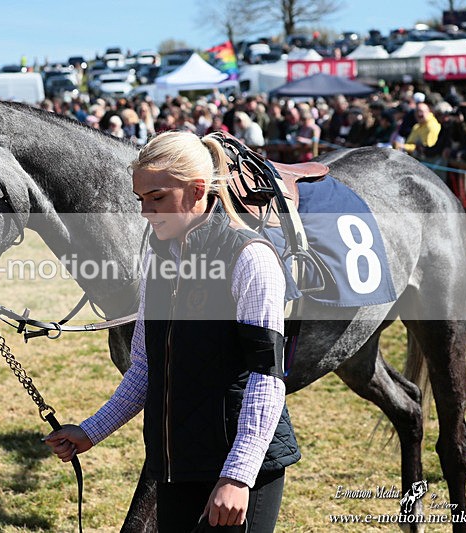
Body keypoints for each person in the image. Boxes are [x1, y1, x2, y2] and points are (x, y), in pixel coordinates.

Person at [44, 131, 300, 532]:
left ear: (198, 189)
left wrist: (237, 476)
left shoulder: (250, 258)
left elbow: (266, 378)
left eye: (157, 197)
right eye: (141, 200)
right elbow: (145, 366)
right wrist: (90, 431)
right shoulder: (158, 259)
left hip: (241, 470)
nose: (146, 211)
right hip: (175, 462)